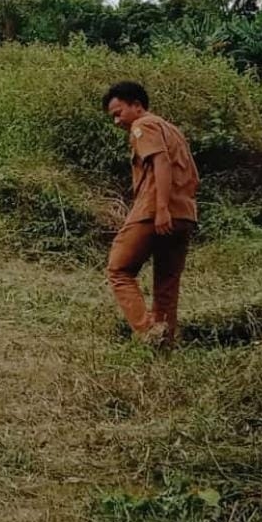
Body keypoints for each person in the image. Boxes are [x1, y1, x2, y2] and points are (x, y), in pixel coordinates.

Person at [102, 81, 199, 347]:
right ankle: (165, 342)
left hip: (154, 210)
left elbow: (161, 162)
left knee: (119, 269)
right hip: (185, 214)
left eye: (118, 112)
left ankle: (147, 333)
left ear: (136, 105)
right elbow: (193, 176)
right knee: (167, 282)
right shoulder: (173, 130)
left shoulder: (142, 126)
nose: (116, 120)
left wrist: (162, 208)